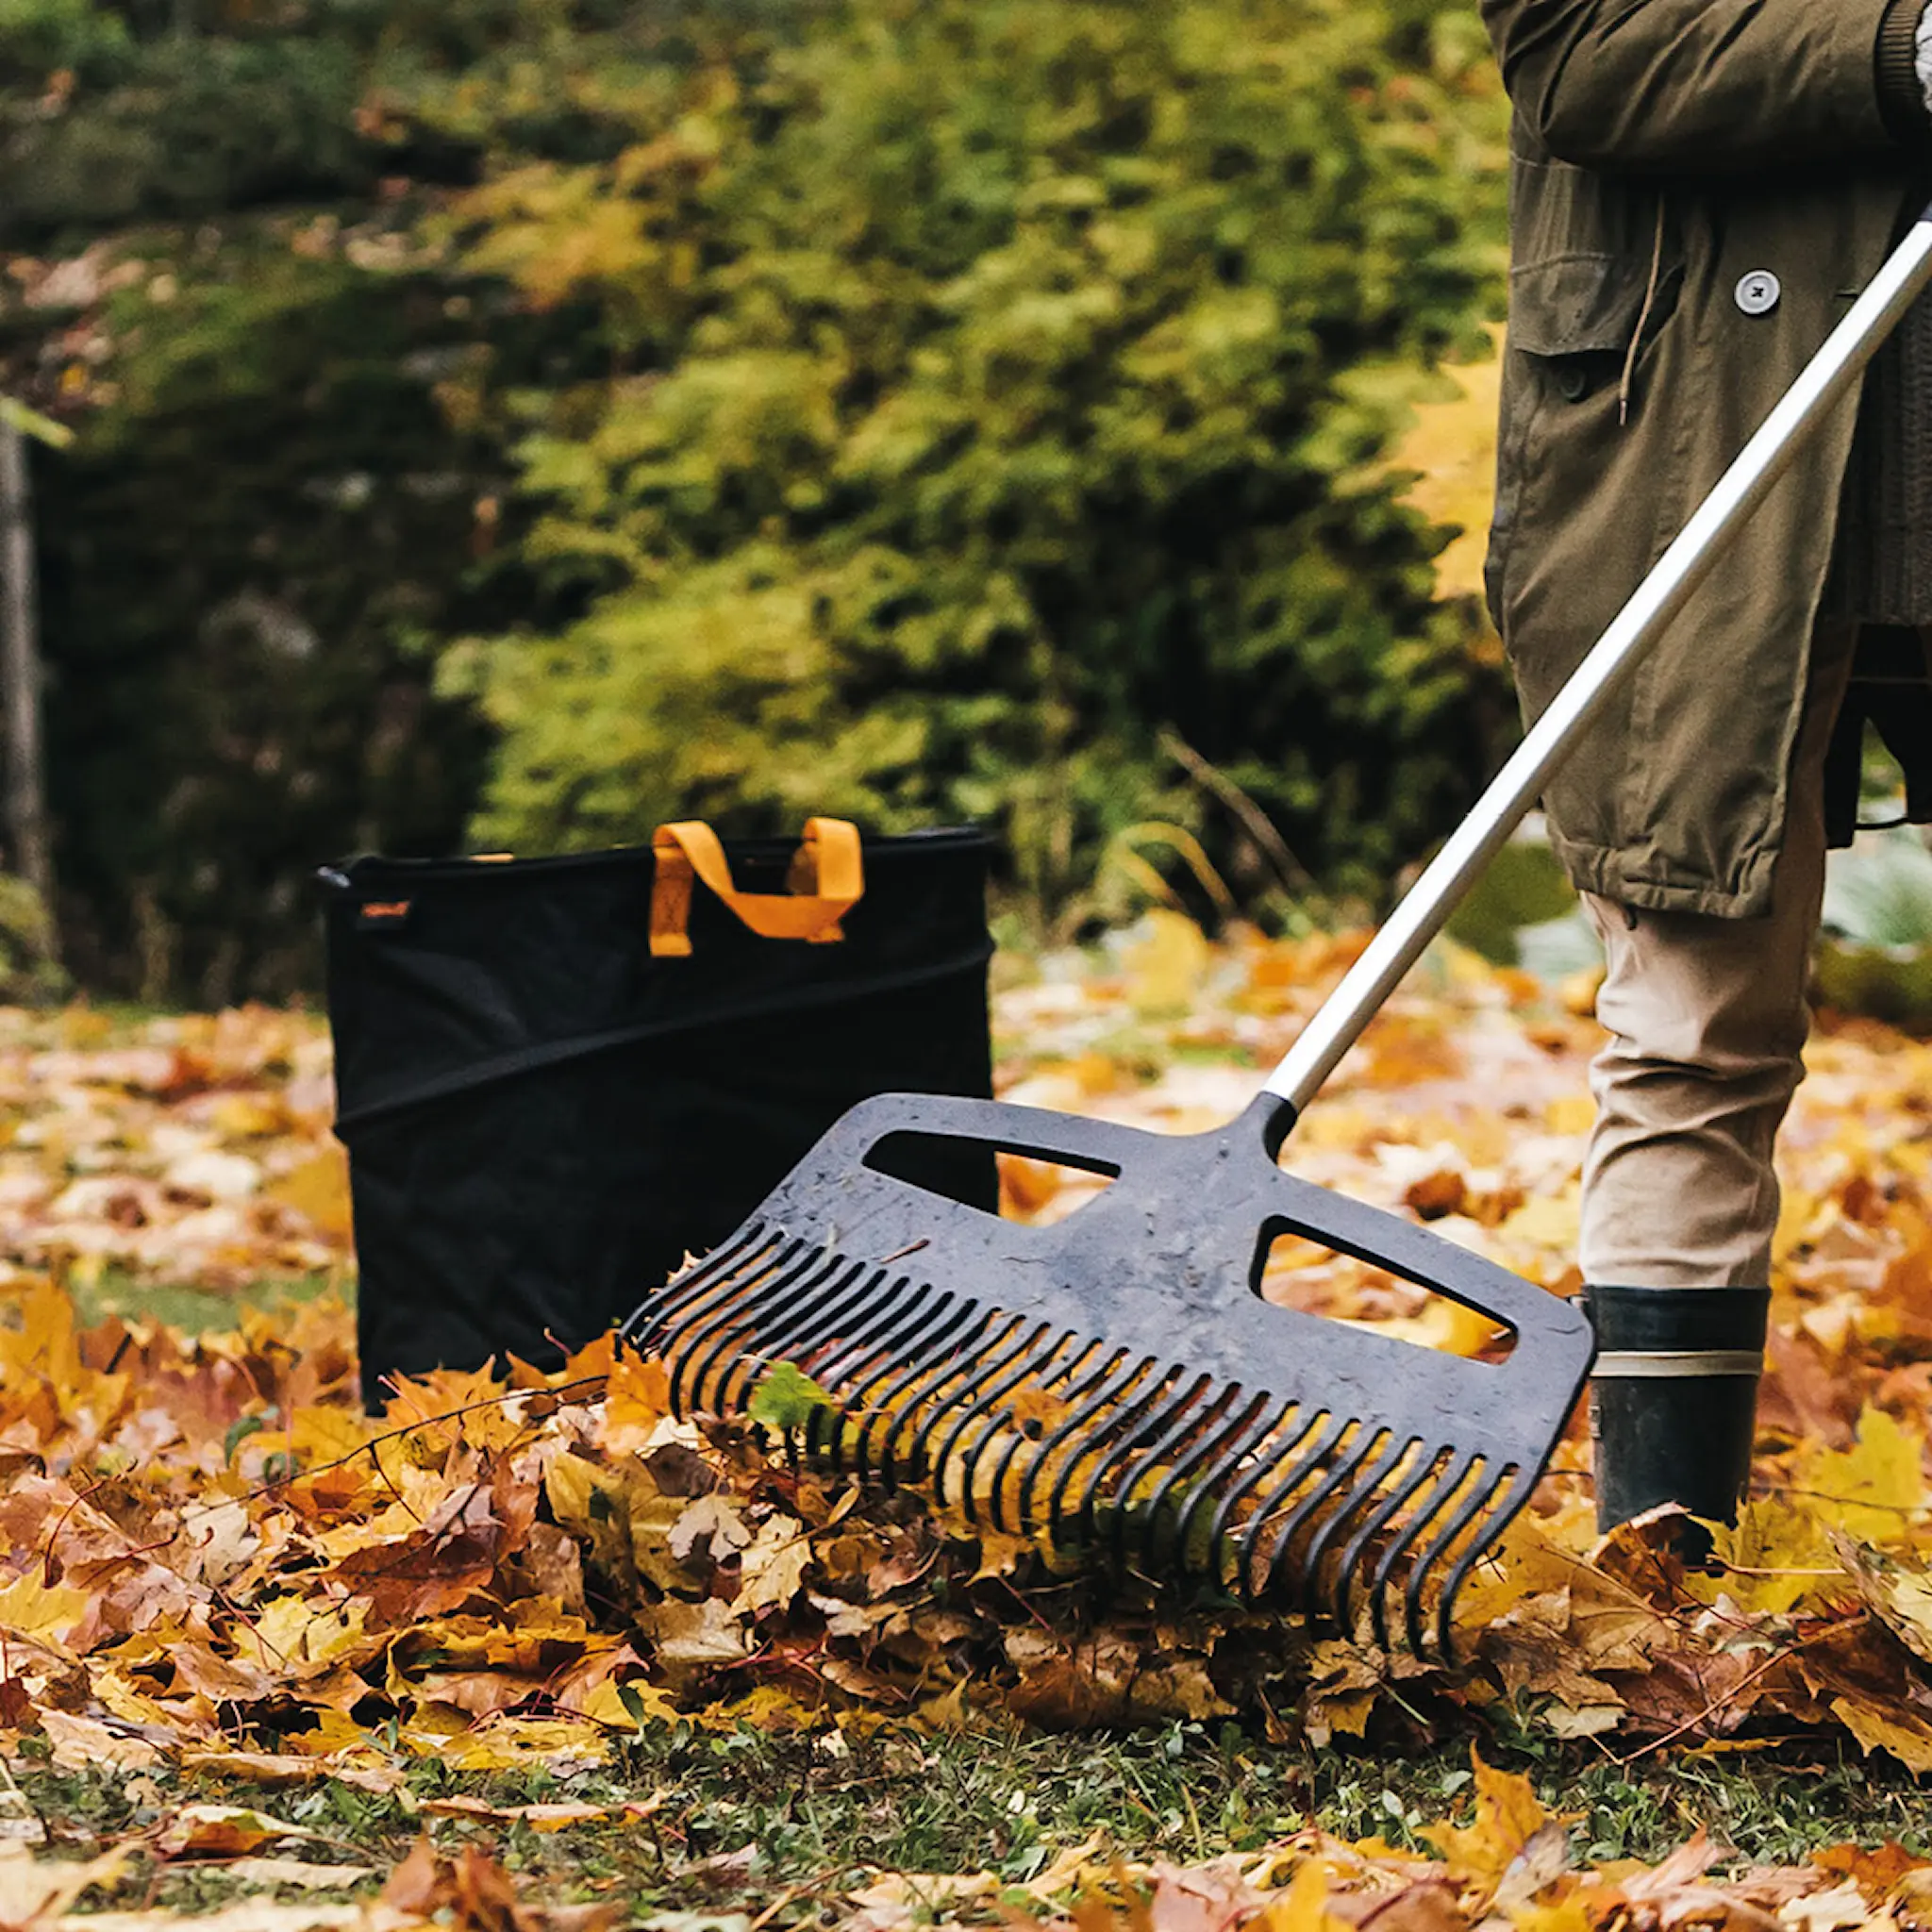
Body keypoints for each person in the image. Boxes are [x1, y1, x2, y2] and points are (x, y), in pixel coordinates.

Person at [1478, 0, 1932, 1538]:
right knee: (1695, 1018)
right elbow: (1578, 48)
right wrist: (1908, 54)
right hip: (1702, 435)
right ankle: (1662, 1571)